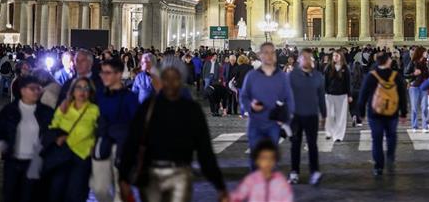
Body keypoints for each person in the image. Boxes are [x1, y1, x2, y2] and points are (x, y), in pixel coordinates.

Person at [119, 62, 228, 202]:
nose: (170, 84)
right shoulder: (148, 107)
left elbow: (204, 150)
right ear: (158, 82)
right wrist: (124, 177)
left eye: (174, 79)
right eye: (166, 79)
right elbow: (132, 142)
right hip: (152, 173)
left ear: (181, 82)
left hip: (180, 172)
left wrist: (219, 185)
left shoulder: (191, 109)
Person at [0, 75, 54, 202]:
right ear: (22, 90)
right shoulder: (9, 110)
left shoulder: (46, 112)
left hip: (35, 161)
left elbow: (52, 133)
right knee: (11, 195)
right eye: (32, 89)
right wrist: (1, 143)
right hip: (13, 161)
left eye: (38, 89)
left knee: (31, 195)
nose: (36, 91)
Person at [91, 58, 140, 202]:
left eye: (108, 73)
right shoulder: (99, 96)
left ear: (118, 74)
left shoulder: (130, 98)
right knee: (99, 188)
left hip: (122, 147)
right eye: (102, 73)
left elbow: (136, 125)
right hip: (102, 143)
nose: (104, 76)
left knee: (120, 190)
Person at [45, 77, 101, 202]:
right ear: (72, 91)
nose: (82, 91)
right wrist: (57, 137)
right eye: (79, 87)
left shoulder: (94, 110)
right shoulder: (64, 107)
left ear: (90, 92)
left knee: (77, 194)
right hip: (62, 156)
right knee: (57, 192)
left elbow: (97, 131)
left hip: (82, 157)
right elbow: (53, 126)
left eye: (86, 88)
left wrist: (93, 146)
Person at [240, 42, 295, 158]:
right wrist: (250, 107)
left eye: (272, 53)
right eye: (266, 52)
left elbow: (290, 99)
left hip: (273, 124)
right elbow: (244, 96)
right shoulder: (251, 76)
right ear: (260, 55)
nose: (269, 56)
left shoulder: (282, 77)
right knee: (255, 158)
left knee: (271, 159)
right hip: (255, 123)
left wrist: (285, 119)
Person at [357, 52, 407, 176]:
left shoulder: (371, 76)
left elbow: (362, 95)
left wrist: (361, 113)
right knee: (391, 137)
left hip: (375, 113)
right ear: (388, 61)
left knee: (377, 140)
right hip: (392, 112)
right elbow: (402, 95)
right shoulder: (395, 76)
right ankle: (390, 158)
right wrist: (403, 113)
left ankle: (378, 166)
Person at [287, 49, 326, 185]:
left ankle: (314, 171)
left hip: (312, 115)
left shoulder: (318, 77)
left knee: (312, 145)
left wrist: (324, 115)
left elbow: (321, 97)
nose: (307, 60)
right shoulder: (292, 76)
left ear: (312, 60)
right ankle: (294, 172)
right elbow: (286, 95)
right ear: (299, 60)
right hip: (295, 115)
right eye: (304, 58)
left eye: (309, 58)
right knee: (295, 145)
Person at [325, 50, 351, 142]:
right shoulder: (328, 67)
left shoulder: (345, 68)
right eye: (334, 56)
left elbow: (348, 83)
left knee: (341, 117)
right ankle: (329, 132)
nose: (335, 57)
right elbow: (325, 81)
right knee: (330, 115)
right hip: (330, 94)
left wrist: (349, 95)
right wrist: (325, 92)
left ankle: (338, 136)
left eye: (337, 55)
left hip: (342, 95)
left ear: (341, 57)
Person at [405, 46, 429, 132]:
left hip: (423, 87)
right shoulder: (413, 62)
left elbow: (428, 75)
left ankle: (425, 126)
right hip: (414, 87)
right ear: (421, 53)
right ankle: (414, 126)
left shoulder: (426, 63)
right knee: (414, 108)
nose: (426, 53)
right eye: (425, 52)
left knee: (424, 107)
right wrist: (414, 74)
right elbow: (405, 74)